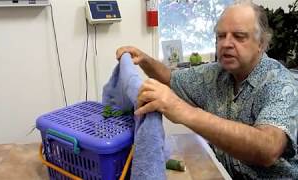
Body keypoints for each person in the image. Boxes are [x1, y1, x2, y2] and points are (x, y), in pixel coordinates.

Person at [116, 0, 298, 179]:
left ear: (261, 43)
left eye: (239, 36)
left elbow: (268, 149)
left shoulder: (280, 84)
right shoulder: (216, 74)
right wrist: (145, 60)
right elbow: (171, 78)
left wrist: (183, 111)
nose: (226, 43)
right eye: (221, 36)